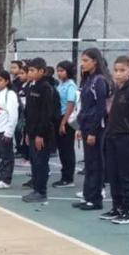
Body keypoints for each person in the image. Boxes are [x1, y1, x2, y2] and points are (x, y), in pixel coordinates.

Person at [100, 56, 129, 224]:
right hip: (113, 136)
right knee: (113, 174)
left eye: (122, 70)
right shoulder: (117, 90)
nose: (118, 74)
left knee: (126, 175)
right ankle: (117, 206)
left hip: (126, 138)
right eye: (116, 70)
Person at [73, 48, 110, 211]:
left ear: (95, 61)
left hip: (96, 128)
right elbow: (84, 107)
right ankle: (88, 196)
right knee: (89, 163)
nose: (83, 64)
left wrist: (94, 131)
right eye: (82, 60)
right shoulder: (88, 80)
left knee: (96, 162)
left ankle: (96, 199)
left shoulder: (100, 81)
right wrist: (80, 127)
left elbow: (101, 108)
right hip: (86, 126)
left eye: (86, 60)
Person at [22, 58, 57, 203]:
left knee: (41, 162)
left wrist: (40, 134)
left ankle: (41, 191)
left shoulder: (45, 88)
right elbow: (29, 113)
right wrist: (27, 133)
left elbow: (47, 114)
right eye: (29, 70)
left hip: (41, 134)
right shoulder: (32, 86)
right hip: (31, 132)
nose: (29, 73)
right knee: (34, 162)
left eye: (32, 70)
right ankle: (36, 189)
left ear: (41, 71)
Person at [0, 70, 19, 189]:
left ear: (7, 81)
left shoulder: (10, 94)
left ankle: (6, 180)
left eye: (0, 80)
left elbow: (13, 114)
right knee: (2, 154)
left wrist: (9, 131)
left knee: (7, 155)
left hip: (5, 129)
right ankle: (1, 177)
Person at [54, 60, 78, 188]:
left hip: (66, 118)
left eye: (62, 71)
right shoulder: (61, 84)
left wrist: (63, 122)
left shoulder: (70, 85)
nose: (59, 73)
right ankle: (64, 175)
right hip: (59, 117)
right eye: (58, 70)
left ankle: (68, 178)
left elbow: (70, 103)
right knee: (62, 149)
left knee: (67, 149)